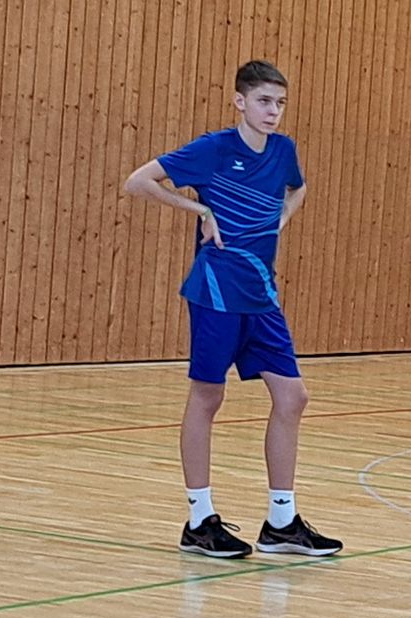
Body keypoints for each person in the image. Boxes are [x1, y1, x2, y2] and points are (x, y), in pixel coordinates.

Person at [122, 60, 341, 560]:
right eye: (264, 101)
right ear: (240, 101)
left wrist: (283, 216)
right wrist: (200, 209)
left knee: (293, 398)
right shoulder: (214, 149)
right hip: (217, 291)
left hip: (261, 295)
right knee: (208, 396)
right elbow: (139, 181)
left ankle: (281, 523)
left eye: (280, 103)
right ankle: (200, 521)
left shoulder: (283, 151)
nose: (273, 111)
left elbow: (298, 187)